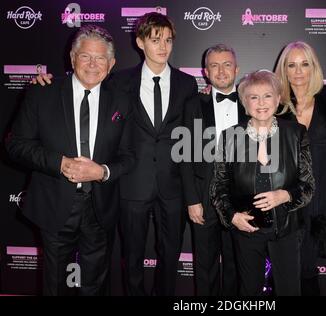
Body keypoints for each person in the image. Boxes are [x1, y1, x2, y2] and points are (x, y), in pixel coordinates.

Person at [6, 25, 135, 295]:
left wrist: (102, 172)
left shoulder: (122, 101)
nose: (92, 64)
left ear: (111, 64)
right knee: (55, 284)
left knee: (96, 285)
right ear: (72, 57)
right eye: (85, 56)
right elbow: (15, 145)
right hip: (55, 204)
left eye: (100, 58)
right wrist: (60, 163)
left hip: (101, 208)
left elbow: (130, 156)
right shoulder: (43, 92)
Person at [112, 12, 198, 296]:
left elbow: (191, 138)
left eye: (168, 40)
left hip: (173, 186)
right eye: (155, 39)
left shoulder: (188, 84)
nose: (163, 46)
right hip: (132, 184)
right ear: (140, 42)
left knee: (170, 255)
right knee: (132, 256)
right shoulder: (119, 81)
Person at [210, 70, 315, 296]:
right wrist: (232, 217)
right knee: (249, 292)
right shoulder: (230, 137)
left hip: (286, 227)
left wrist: (284, 195)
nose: (261, 103)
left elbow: (308, 186)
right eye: (253, 97)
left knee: (289, 290)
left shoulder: (296, 134)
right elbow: (219, 187)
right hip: (246, 229)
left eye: (267, 96)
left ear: (278, 99)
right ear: (245, 103)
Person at [274, 41, 326, 295]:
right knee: (286, 271)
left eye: (304, 64)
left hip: (320, 198)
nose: (298, 71)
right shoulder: (274, 105)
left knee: (309, 270)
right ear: (284, 69)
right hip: (286, 198)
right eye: (291, 65)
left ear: (314, 67)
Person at [180, 44, 244, 295]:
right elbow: (184, 155)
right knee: (204, 266)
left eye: (227, 64)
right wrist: (192, 199)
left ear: (237, 69)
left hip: (240, 197)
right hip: (203, 196)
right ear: (205, 72)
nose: (221, 71)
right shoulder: (194, 104)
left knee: (235, 264)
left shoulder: (252, 102)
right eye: (214, 65)